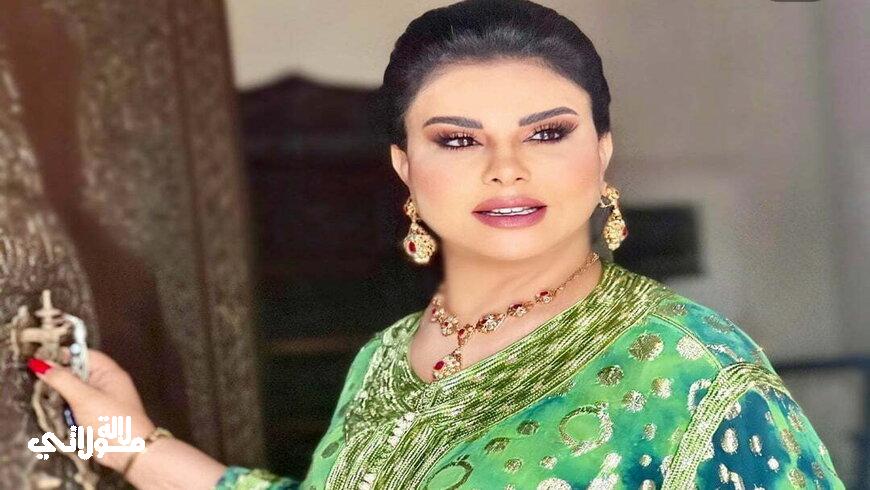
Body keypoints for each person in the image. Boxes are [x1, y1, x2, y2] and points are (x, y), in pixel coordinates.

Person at [29, 0, 845, 488]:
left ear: (601, 152)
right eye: (457, 140)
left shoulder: (688, 368)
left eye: (548, 133)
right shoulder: (386, 359)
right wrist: (128, 443)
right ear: (405, 168)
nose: (506, 168)